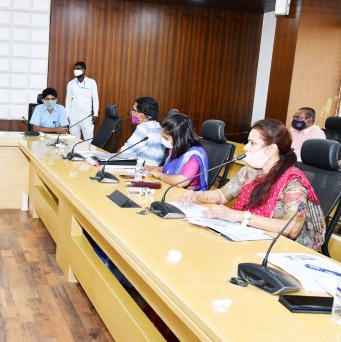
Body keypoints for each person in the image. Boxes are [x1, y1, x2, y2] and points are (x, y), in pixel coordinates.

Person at [177, 119, 326, 252]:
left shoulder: (293, 181)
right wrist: (197, 195)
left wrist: (240, 216)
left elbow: (291, 228)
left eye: (252, 143)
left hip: (278, 248)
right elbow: (222, 195)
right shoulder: (251, 170)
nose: (246, 148)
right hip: (247, 237)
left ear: (271, 149)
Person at [145, 113, 209, 191]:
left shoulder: (194, 156)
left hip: (188, 194)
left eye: (166, 138)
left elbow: (181, 181)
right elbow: (170, 169)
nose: (163, 140)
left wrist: (160, 175)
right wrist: (154, 168)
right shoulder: (176, 148)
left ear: (179, 138)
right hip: (172, 189)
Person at [119, 97, 164, 166]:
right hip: (153, 167)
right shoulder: (158, 126)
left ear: (142, 115)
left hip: (142, 168)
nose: (131, 112)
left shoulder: (144, 128)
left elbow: (124, 153)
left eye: (134, 110)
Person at [65, 61, 99, 140]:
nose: (75, 70)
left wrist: (96, 114)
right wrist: (66, 116)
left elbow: (95, 99)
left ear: (83, 70)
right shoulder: (70, 84)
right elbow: (68, 101)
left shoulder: (92, 82)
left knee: (88, 141)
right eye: (74, 69)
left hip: (87, 117)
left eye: (78, 69)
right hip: (73, 117)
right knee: (74, 141)